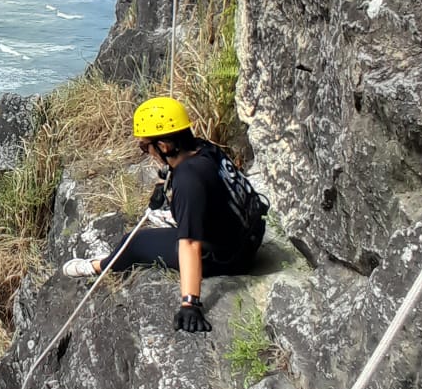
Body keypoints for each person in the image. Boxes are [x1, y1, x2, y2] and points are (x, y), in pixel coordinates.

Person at [62, 96, 268, 335]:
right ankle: (177, 220)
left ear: (164, 146)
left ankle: (99, 266)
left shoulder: (189, 180)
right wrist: (161, 188)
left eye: (145, 146)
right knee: (179, 221)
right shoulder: (204, 150)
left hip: (228, 257)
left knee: (136, 242)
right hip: (247, 235)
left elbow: (190, 245)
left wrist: (190, 302)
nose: (146, 152)